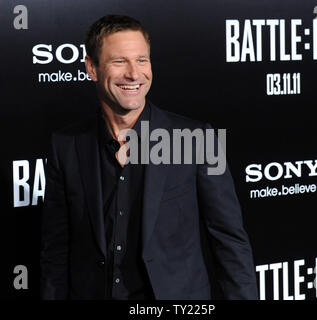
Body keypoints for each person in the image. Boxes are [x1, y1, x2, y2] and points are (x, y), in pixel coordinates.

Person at [40, 14, 258, 300]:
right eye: (119, 62)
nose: (134, 73)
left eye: (142, 60)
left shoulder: (196, 139)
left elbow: (229, 241)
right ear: (92, 68)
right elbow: (56, 250)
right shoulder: (66, 146)